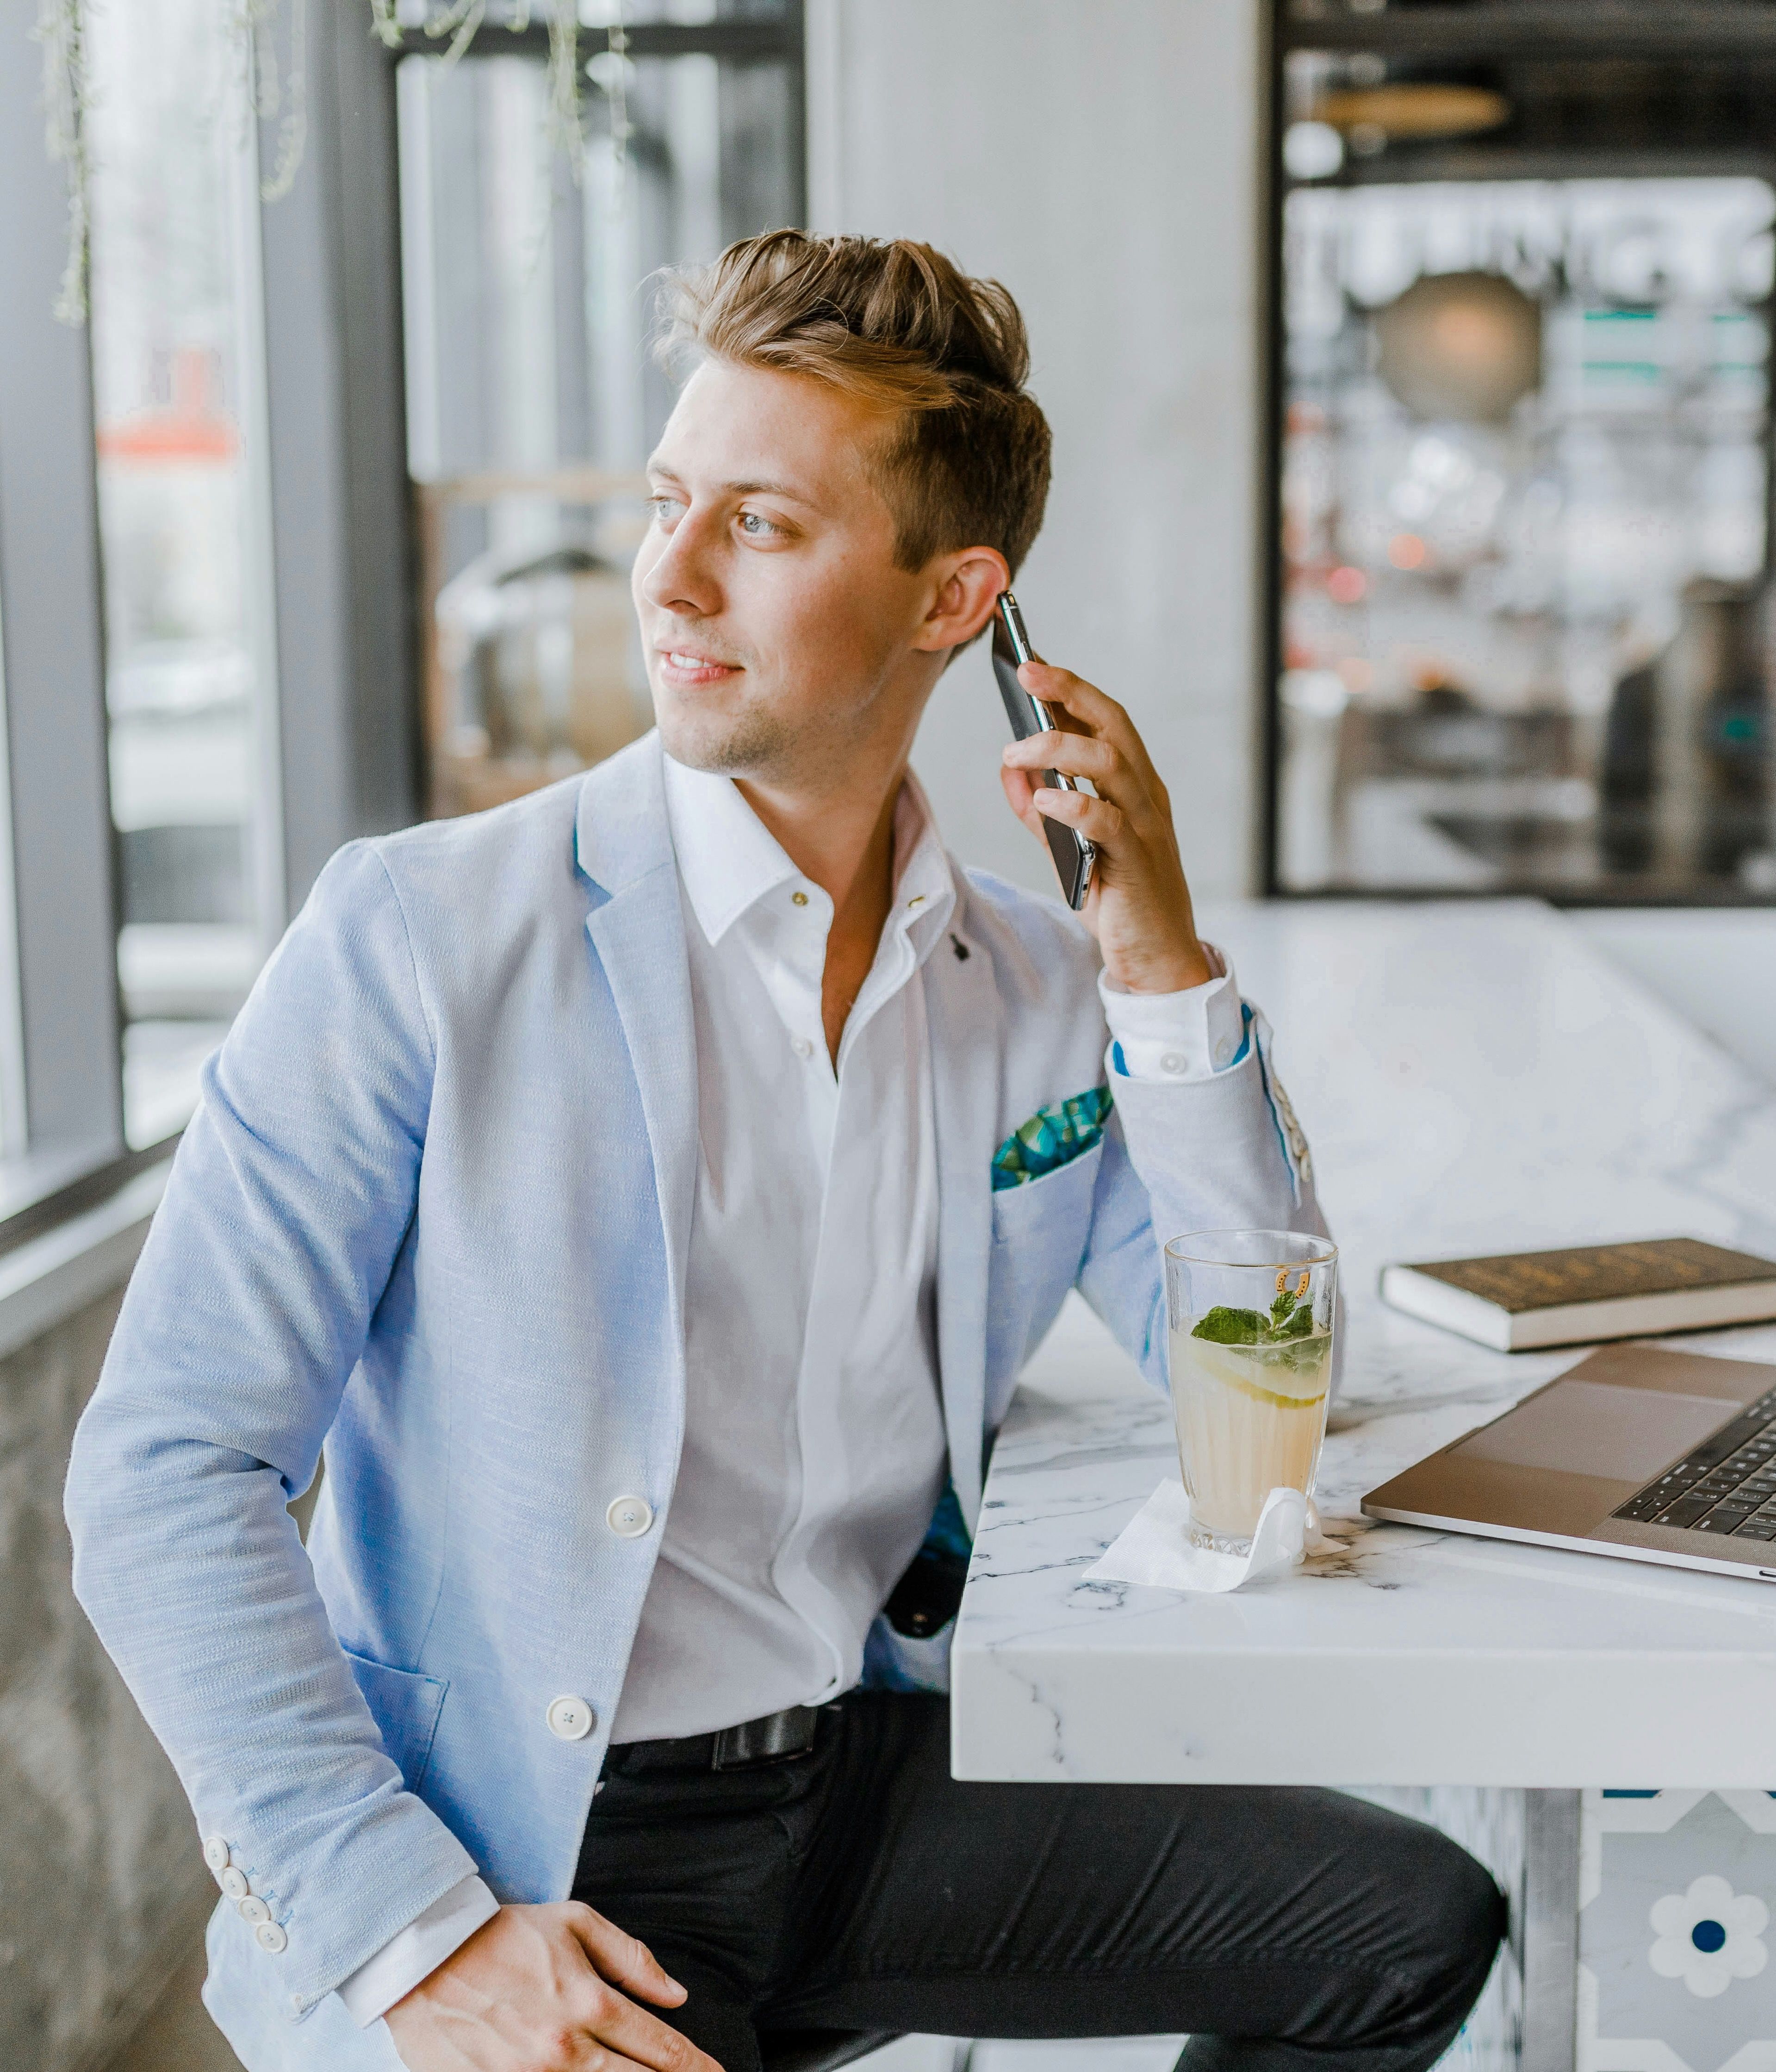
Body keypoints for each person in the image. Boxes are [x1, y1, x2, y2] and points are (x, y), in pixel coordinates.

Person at [65, 232, 1503, 2072]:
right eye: (670, 501)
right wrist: (414, 1932)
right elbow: (166, 1472)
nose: (664, 574)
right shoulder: (421, 937)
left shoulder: (1035, 984)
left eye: (758, 523)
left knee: (1405, 1932)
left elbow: (1266, 1385)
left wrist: (1157, 959)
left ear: (953, 599)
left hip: (858, 1783)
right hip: (538, 1851)